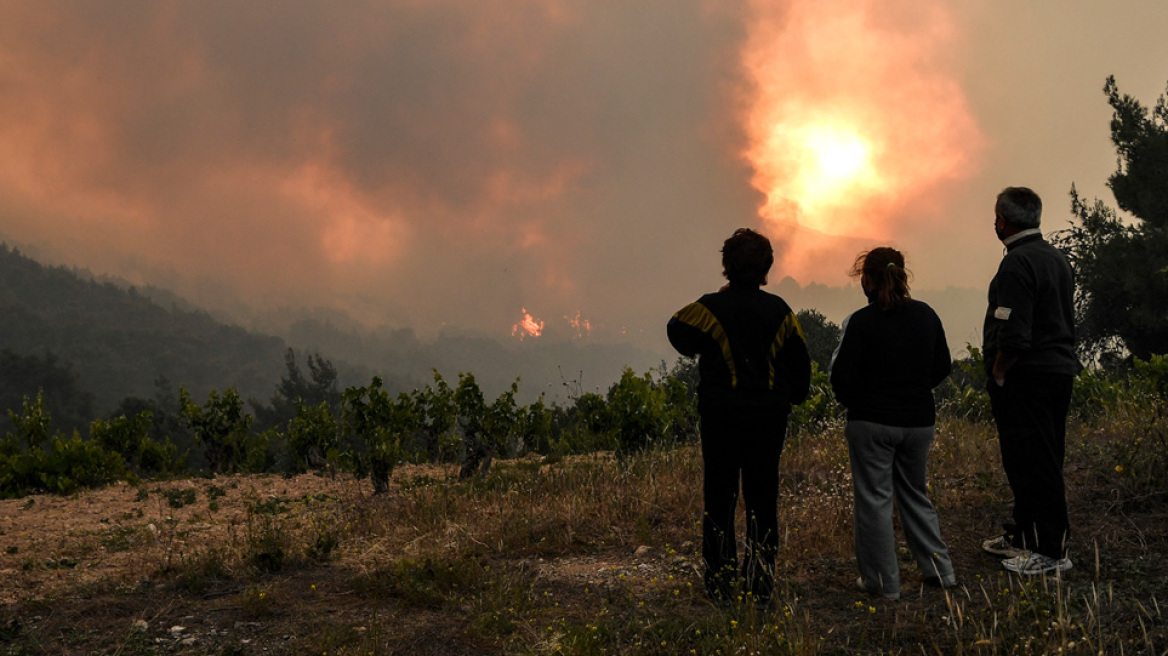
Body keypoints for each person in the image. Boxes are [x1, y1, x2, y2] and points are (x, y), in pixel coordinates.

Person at [667, 228, 811, 604]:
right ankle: (760, 583)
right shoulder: (781, 312)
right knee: (763, 498)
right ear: (767, 268)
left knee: (720, 497)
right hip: (768, 419)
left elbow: (676, 331)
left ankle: (720, 582)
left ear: (726, 266)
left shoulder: (709, 308)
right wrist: (785, 397)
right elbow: (800, 375)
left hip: (720, 416)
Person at [829, 247, 956, 600]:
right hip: (918, 421)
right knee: (915, 493)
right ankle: (940, 570)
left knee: (874, 500)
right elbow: (942, 365)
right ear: (901, 274)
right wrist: (914, 391)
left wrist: (860, 402)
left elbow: (841, 377)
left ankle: (883, 583)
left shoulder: (861, 321)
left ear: (866, 279)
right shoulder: (926, 315)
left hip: (871, 421)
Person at [980, 186, 1081, 575]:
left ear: (1001, 221)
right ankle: (1024, 535)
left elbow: (1015, 333)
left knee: (1033, 461)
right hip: (1058, 371)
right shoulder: (1056, 258)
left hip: (1027, 377)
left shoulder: (1016, 264)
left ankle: (1051, 551)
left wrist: (1000, 372)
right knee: (1039, 456)